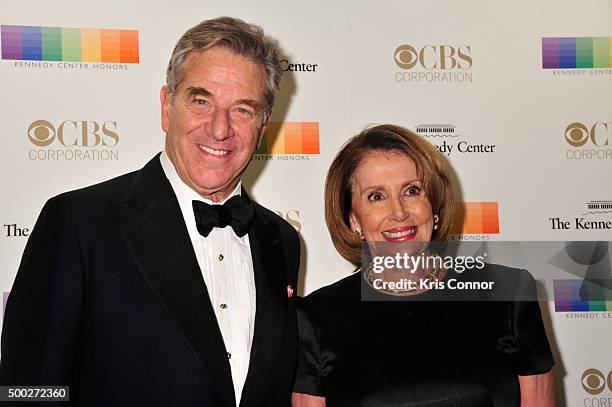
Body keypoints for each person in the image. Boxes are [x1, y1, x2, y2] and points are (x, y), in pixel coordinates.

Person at [1, 17, 300, 407]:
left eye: (243, 110)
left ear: (262, 130)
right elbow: (28, 392)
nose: (220, 128)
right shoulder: (78, 224)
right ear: (166, 106)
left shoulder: (281, 240)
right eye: (201, 100)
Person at [292, 124, 555, 406]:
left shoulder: (508, 293)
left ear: (435, 205)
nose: (399, 212)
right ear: (354, 220)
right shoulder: (316, 319)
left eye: (412, 191)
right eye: (376, 196)